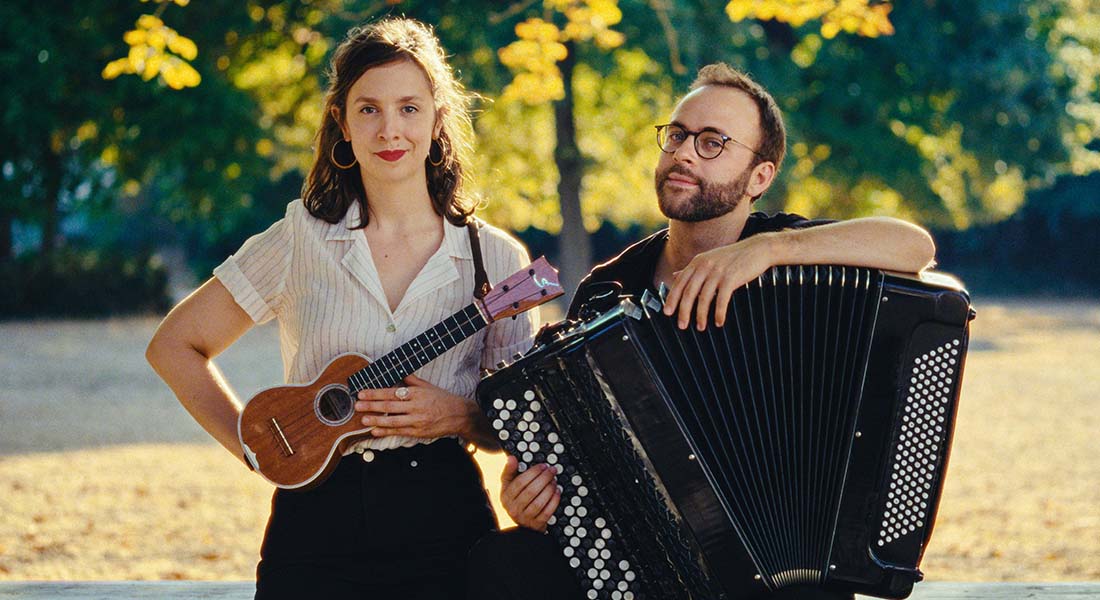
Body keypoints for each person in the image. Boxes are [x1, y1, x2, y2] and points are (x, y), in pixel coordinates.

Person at [468, 63, 936, 599]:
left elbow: (914, 246)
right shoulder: (607, 289)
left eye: (713, 142)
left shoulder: (788, 255)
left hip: (780, 575)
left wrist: (769, 250)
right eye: (677, 135)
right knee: (501, 563)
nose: (685, 153)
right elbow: (563, 449)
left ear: (760, 177)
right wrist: (529, 494)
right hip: (641, 557)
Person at [145, 18, 537, 600]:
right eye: (368, 109)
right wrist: (258, 449)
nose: (389, 130)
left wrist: (456, 416)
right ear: (343, 125)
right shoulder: (299, 238)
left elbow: (523, 426)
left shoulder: (496, 260)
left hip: (443, 517)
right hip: (313, 526)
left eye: (408, 107)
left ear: (437, 119)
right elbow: (174, 347)